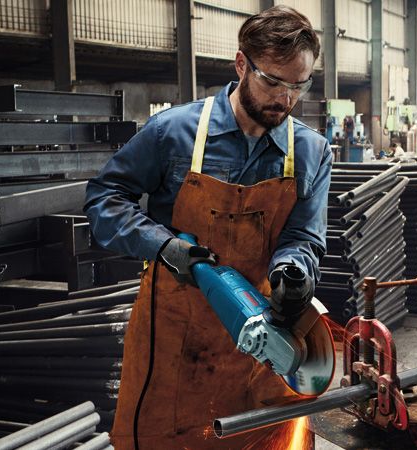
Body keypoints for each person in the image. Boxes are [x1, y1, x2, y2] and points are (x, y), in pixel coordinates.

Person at [84, 6, 330, 450]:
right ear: (241, 65)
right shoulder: (172, 133)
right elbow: (104, 198)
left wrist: (293, 271)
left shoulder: (311, 151)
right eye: (273, 81)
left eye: (299, 85)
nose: (285, 99)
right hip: (174, 339)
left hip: (262, 342)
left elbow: (304, 236)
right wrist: (162, 246)